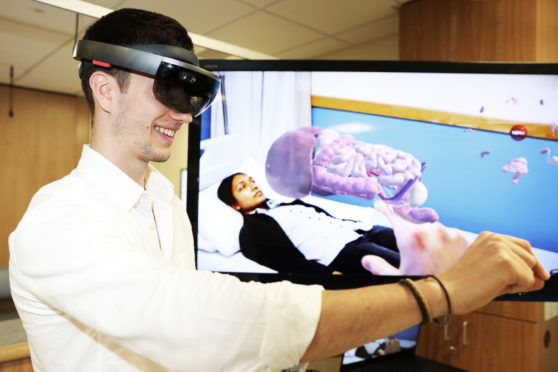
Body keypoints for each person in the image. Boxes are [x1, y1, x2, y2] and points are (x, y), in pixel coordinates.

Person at [8, 7, 549, 372]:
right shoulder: (58, 222)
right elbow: (204, 321)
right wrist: (442, 293)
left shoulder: (164, 203)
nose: (180, 114)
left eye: (191, 98)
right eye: (169, 91)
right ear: (105, 88)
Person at [217, 172, 400, 275]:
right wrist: (328, 275)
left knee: (415, 244)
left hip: (362, 230)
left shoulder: (282, 204)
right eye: (243, 187)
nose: (253, 186)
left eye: (252, 181)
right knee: (408, 263)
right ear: (234, 205)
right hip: (344, 250)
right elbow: (288, 263)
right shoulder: (252, 231)